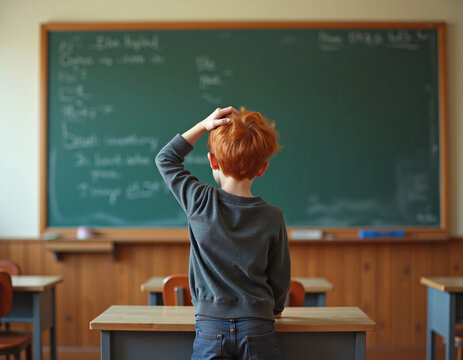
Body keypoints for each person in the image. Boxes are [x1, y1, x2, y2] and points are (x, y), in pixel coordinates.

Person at [155, 106, 290, 360]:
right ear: (263, 169)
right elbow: (279, 274)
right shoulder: (273, 216)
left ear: (213, 161)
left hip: (210, 325)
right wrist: (277, 309)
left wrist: (204, 125)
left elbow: (166, 159)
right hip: (258, 324)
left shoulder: (200, 201)